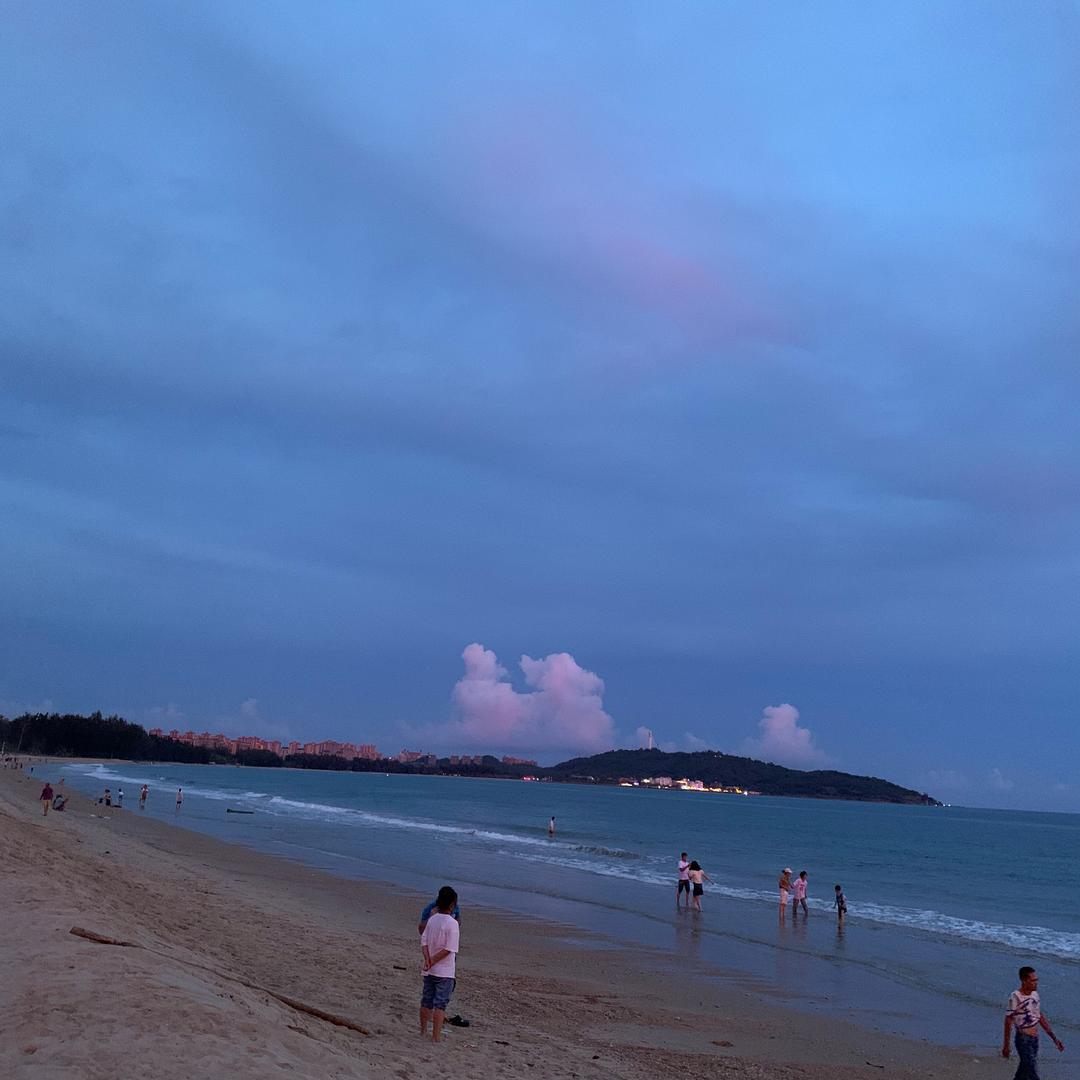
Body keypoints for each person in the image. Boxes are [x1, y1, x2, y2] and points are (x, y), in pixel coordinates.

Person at [1003, 966, 1064, 1077]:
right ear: (1024, 981)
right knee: (1032, 1071)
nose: (1036, 983)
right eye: (1033, 980)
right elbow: (1008, 1021)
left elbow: (1039, 1016)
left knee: (1024, 1071)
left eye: (1036, 980)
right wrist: (1006, 1045)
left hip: (1034, 1040)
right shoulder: (1015, 997)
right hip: (1023, 1039)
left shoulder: (1035, 995)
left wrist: (1054, 1038)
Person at [420, 885, 460, 1042]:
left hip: (430, 968)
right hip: (444, 970)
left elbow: (423, 942)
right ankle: (435, 1037)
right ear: (452, 905)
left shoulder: (432, 919)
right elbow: (449, 949)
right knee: (439, 1004)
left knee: (427, 1000)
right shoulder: (452, 923)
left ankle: (423, 1031)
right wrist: (432, 961)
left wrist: (428, 960)